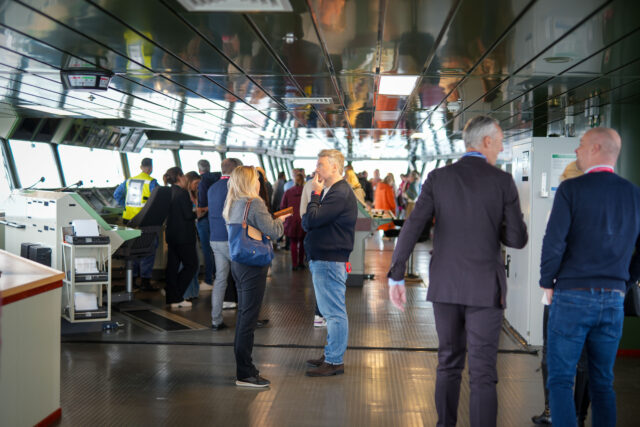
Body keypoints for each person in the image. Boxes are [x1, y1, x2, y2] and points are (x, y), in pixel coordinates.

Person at [387, 115, 528, 426]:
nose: (503, 146)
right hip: (484, 290)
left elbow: (412, 227)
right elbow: (517, 239)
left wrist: (396, 274)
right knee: (482, 372)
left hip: (446, 287)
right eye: (501, 140)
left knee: (448, 363)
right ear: (486, 142)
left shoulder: (438, 178)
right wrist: (496, 225)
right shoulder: (503, 182)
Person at [540, 127, 640, 427]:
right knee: (602, 382)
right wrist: (626, 281)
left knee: (560, 380)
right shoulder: (634, 194)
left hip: (572, 295)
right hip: (613, 299)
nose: (576, 151)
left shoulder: (571, 191)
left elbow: (553, 241)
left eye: (581, 145)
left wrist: (547, 281)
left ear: (596, 148)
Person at [532, 161, 587, 426]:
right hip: (594, 292)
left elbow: (551, 247)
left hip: (559, 292)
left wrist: (546, 282)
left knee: (552, 354)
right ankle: (579, 414)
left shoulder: (559, 207)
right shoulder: (603, 206)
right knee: (585, 359)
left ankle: (552, 411)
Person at [224, 166, 289, 388]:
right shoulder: (254, 203)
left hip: (239, 263)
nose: (260, 183)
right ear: (250, 182)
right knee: (248, 320)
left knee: (244, 317)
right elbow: (274, 232)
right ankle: (245, 373)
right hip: (253, 266)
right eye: (257, 179)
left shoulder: (232, 203)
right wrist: (283, 220)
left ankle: (244, 369)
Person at [303, 149, 358, 377]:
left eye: (321, 165)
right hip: (325, 258)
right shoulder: (334, 190)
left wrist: (315, 195)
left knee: (334, 313)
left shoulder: (338, 192)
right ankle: (330, 353)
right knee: (330, 311)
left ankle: (334, 361)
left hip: (328, 260)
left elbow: (310, 221)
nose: (317, 169)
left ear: (335, 167)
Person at [113, 157, 158, 291]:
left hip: (129, 220)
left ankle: (132, 280)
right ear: (150, 168)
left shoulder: (129, 181)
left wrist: (125, 205)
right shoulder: (151, 182)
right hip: (145, 220)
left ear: (140, 167)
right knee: (148, 249)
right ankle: (145, 281)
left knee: (133, 249)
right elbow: (157, 200)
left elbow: (117, 194)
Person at [208, 158, 242, 330]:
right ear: (236, 170)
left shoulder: (212, 188)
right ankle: (246, 320)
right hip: (232, 239)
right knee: (243, 280)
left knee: (220, 279)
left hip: (215, 238)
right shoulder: (235, 188)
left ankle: (216, 320)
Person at [163, 167, 198, 309]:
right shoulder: (182, 193)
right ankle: (177, 295)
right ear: (179, 176)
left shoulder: (168, 192)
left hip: (171, 234)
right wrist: (197, 213)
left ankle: (172, 297)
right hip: (184, 236)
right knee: (191, 265)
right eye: (183, 176)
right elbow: (188, 215)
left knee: (172, 266)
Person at [195, 159, 221, 292]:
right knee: (216, 250)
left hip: (204, 220)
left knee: (206, 250)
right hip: (216, 219)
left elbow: (202, 203)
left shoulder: (202, 182)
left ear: (199, 170)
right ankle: (217, 277)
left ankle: (208, 280)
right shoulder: (218, 180)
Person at [182, 171, 202, 301]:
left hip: (193, 230)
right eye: (196, 183)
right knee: (188, 263)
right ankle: (187, 292)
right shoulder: (184, 196)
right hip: (187, 231)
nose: (197, 186)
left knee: (195, 262)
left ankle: (193, 291)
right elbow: (188, 214)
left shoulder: (194, 195)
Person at [281, 173, 306, 270]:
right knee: (303, 242)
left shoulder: (288, 192)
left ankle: (294, 264)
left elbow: (283, 207)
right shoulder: (306, 192)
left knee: (293, 242)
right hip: (303, 220)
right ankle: (301, 263)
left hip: (291, 221)